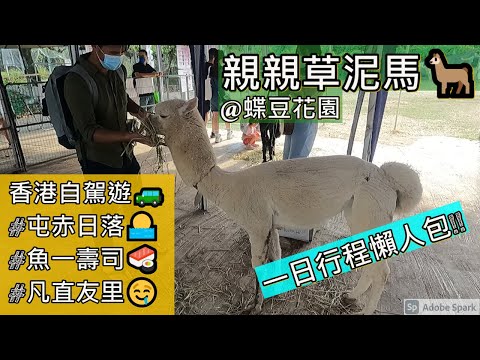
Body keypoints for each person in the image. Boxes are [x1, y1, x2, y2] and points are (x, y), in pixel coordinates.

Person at [64, 45, 153, 174]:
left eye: (122, 52)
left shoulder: (119, 71)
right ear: (95, 46)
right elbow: (89, 131)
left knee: (137, 192)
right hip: (99, 160)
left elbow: (124, 99)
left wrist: (144, 115)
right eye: (114, 53)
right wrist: (130, 136)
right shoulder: (77, 80)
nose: (118, 57)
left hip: (125, 153)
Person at [209, 48, 233, 143]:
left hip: (213, 95)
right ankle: (228, 132)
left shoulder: (211, 69)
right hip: (223, 95)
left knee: (215, 115)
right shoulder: (223, 69)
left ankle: (217, 136)